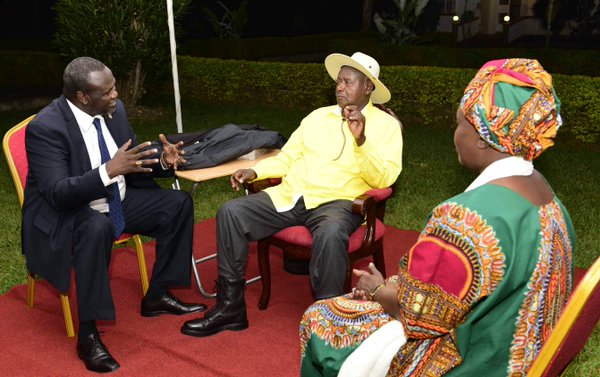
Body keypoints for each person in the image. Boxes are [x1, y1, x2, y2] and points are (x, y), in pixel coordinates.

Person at [298, 58, 575, 377]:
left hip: (466, 363)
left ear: (483, 137)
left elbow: (418, 316)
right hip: (514, 354)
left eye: (460, 124)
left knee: (320, 316)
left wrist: (377, 289)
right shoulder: (550, 201)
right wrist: (396, 285)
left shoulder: (464, 218)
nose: (455, 134)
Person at [180, 52, 404, 338]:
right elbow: (287, 158)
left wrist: (361, 141)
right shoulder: (316, 117)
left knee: (331, 233)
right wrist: (256, 172)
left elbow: (384, 179)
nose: (339, 87)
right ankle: (230, 307)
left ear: (368, 88)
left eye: (348, 82)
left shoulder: (386, 127)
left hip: (338, 204)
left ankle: (328, 322)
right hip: (292, 195)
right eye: (338, 82)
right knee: (231, 213)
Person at [22, 56, 207, 373]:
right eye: (107, 91)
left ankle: (158, 294)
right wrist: (108, 170)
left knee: (177, 205)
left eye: (114, 88)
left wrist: (162, 161)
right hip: (69, 210)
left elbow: (129, 160)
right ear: (83, 96)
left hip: (116, 198)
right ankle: (88, 333)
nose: (115, 96)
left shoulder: (112, 112)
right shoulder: (46, 128)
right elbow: (57, 193)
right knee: (96, 228)